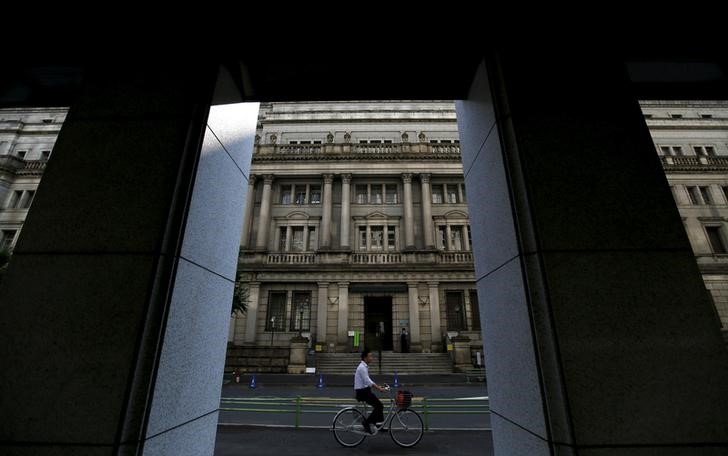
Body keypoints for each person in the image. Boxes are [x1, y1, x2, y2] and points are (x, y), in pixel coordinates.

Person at [354, 349, 387, 434]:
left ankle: (379, 425)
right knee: (379, 406)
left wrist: (378, 387)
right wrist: (379, 388)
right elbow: (368, 381)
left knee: (379, 405)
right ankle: (367, 423)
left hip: (365, 391)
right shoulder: (362, 368)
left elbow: (368, 381)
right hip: (363, 392)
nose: (372, 358)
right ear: (365, 358)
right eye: (370, 356)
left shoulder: (364, 366)